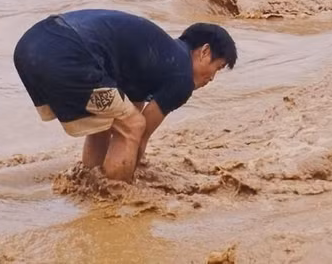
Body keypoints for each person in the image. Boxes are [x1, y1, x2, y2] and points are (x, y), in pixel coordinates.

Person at [13, 10, 238, 182]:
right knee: (133, 126)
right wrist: (132, 181)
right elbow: (140, 135)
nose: (212, 79)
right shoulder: (181, 76)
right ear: (204, 52)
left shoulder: (154, 56)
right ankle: (113, 205)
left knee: (108, 121)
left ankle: (89, 184)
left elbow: (118, 117)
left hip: (31, 46)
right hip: (70, 52)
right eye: (217, 68)